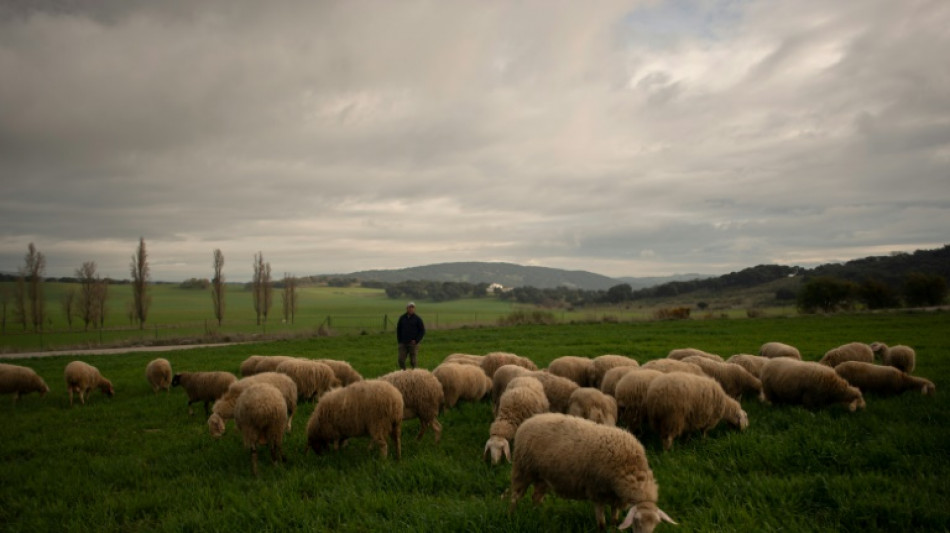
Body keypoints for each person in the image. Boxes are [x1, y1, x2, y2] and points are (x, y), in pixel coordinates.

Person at [396, 302, 425, 370]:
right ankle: (404, 372)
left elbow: (422, 331)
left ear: (414, 309)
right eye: (410, 307)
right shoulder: (402, 318)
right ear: (407, 308)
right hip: (403, 343)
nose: (411, 309)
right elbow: (398, 329)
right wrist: (399, 341)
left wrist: (416, 340)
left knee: (413, 361)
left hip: (413, 343)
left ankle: (415, 373)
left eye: (413, 307)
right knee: (401, 360)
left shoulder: (417, 319)